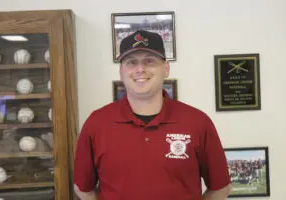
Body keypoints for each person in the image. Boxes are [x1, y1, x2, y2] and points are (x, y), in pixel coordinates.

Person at [73, 30, 232, 200]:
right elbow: (83, 188)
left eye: (149, 61)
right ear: (121, 71)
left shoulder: (197, 122)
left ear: (166, 68)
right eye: (131, 62)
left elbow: (221, 188)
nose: (140, 69)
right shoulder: (97, 123)